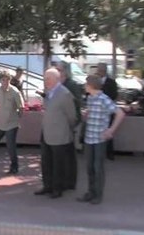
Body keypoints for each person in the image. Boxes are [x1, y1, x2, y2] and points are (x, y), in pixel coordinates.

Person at [77, 75, 125, 205]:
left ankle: (98, 195)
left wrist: (110, 130)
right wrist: (86, 115)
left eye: (86, 84)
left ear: (91, 85)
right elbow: (91, 116)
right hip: (89, 138)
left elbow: (120, 113)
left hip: (99, 139)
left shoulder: (104, 99)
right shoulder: (90, 99)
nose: (84, 86)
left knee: (98, 168)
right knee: (89, 168)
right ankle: (90, 192)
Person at [34, 68, 76, 199]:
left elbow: (72, 116)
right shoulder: (48, 92)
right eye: (44, 78)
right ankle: (47, 186)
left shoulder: (65, 94)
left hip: (60, 134)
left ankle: (57, 188)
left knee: (58, 163)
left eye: (48, 78)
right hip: (46, 133)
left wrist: (66, 129)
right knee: (46, 162)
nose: (45, 81)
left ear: (56, 79)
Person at [56, 61, 82, 190]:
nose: (57, 72)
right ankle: (63, 179)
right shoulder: (57, 84)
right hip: (58, 124)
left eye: (59, 70)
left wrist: (73, 122)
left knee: (69, 154)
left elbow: (77, 104)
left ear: (65, 71)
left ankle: (70, 182)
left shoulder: (72, 85)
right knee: (62, 154)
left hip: (68, 124)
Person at [96, 62, 118, 160]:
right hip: (97, 109)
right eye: (98, 70)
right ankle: (98, 153)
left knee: (108, 131)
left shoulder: (111, 82)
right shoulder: (95, 81)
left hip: (107, 109)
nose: (98, 72)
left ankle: (109, 153)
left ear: (104, 71)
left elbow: (114, 95)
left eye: (100, 70)